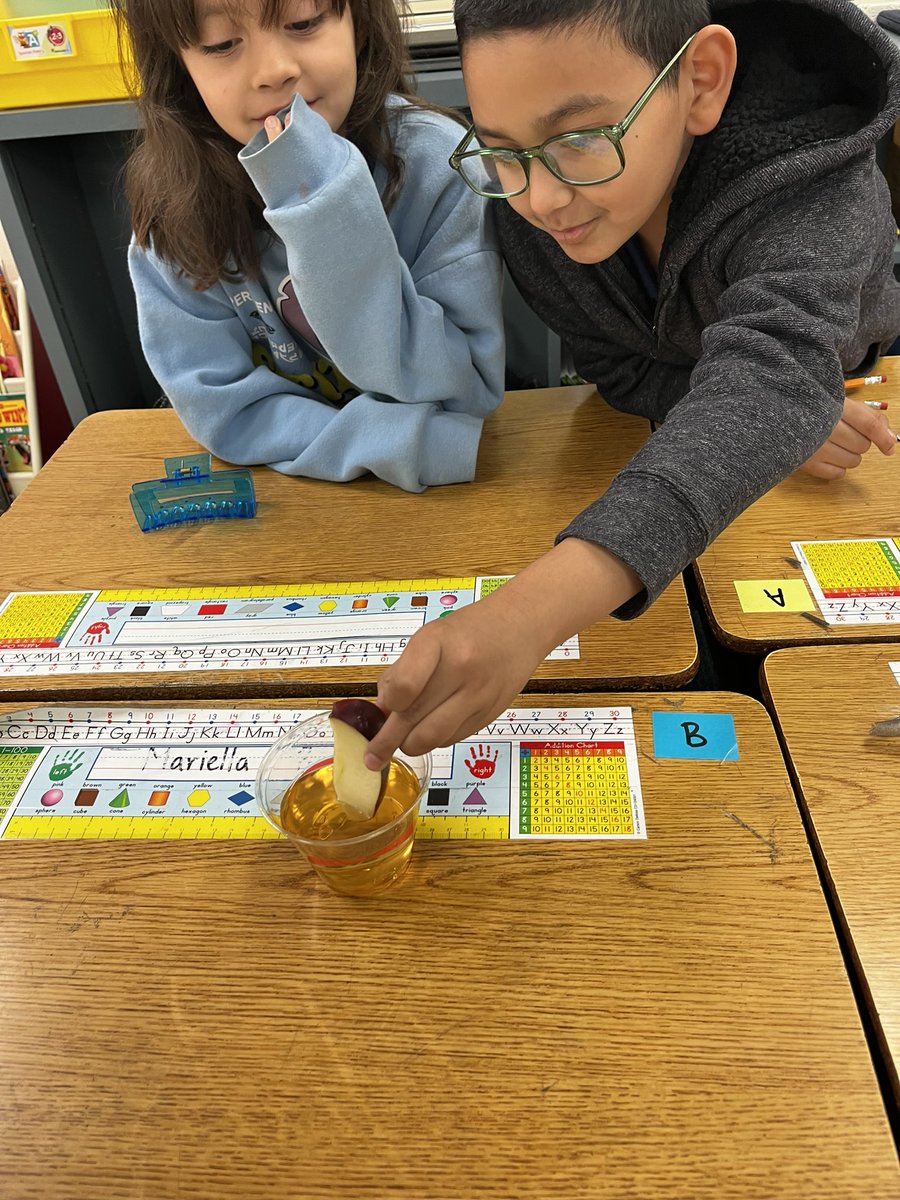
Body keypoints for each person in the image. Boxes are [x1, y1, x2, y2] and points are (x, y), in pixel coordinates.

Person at [364, 0, 900, 766]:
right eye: (502, 151)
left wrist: (527, 618)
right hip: (718, 434)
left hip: (861, 394)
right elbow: (615, 364)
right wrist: (751, 419)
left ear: (701, 81)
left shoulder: (815, 181)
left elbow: (779, 369)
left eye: (582, 141)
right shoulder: (538, 209)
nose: (540, 199)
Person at [114, 0, 505, 493]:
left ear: (358, 23)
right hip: (296, 497)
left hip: (455, 495)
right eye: (220, 44)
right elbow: (223, 412)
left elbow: (464, 390)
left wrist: (323, 201)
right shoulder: (175, 214)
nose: (275, 71)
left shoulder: (439, 164)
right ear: (178, 64)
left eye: (303, 23)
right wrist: (414, 446)